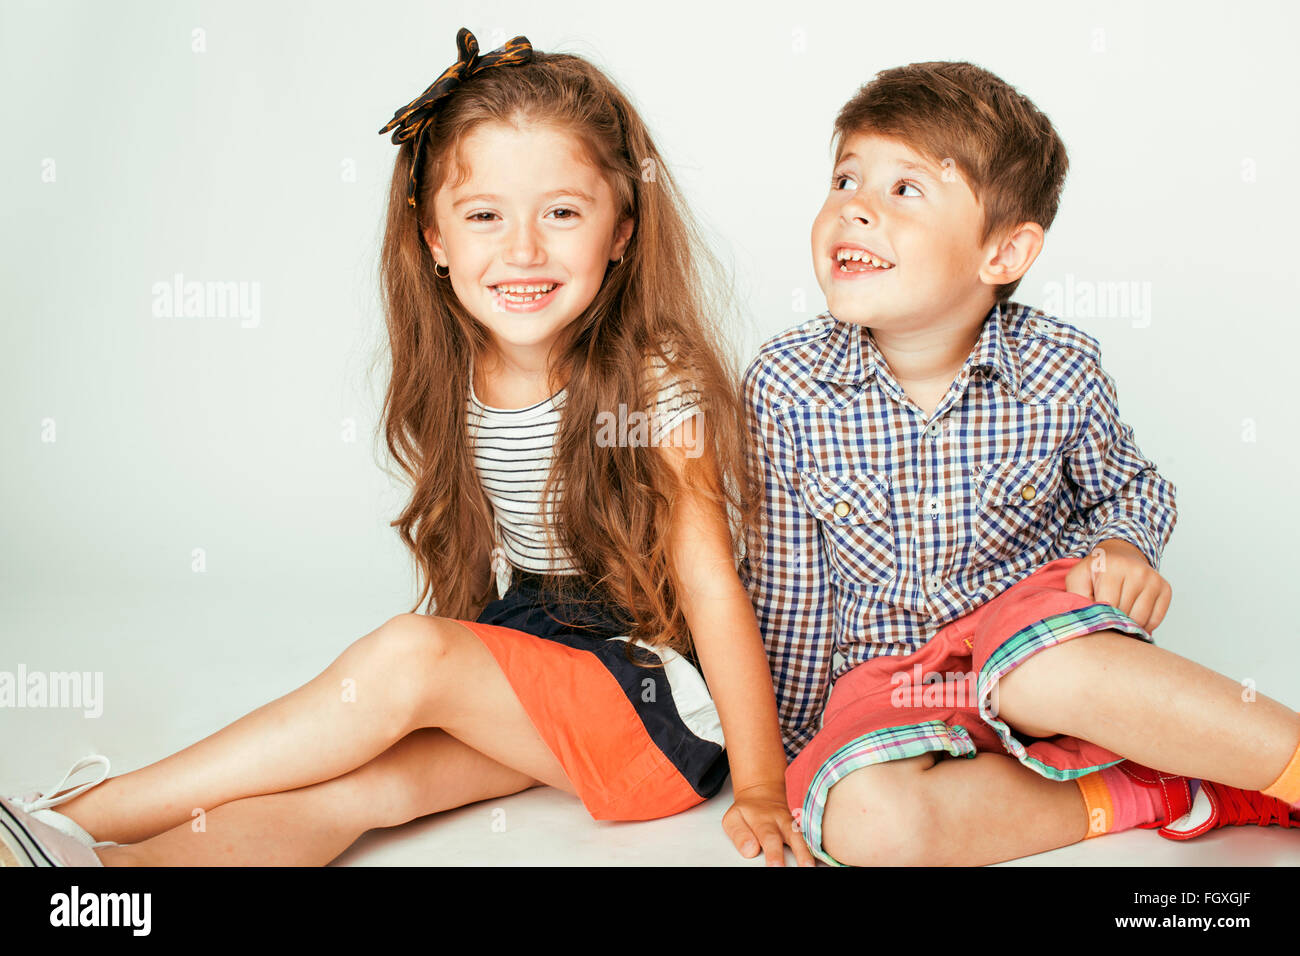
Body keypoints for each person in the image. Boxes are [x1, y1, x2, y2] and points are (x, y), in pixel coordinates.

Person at [1, 28, 812, 868]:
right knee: (359, 790)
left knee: (408, 654)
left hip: (657, 707)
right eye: (485, 216)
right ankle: (97, 871)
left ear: (622, 231)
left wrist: (760, 784)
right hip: (538, 654)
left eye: (563, 213)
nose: (523, 250)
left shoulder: (654, 376)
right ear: (434, 239)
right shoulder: (455, 366)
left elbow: (710, 584)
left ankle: (78, 810)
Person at [742, 60, 1300, 866]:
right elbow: (788, 593)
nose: (854, 207)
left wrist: (1124, 548)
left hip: (1036, 642)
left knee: (1035, 673)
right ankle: (1163, 790)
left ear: (1004, 251)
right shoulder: (785, 383)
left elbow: (1130, 486)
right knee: (862, 819)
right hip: (893, 681)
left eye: (905, 189)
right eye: (845, 180)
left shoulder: (1058, 367)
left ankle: (1283, 762)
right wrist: (789, 762)